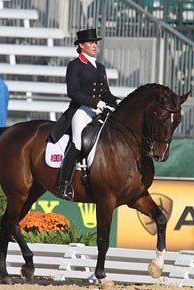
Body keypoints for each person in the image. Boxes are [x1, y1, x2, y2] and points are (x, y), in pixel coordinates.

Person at [49, 28, 119, 200]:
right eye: (90, 42)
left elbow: (105, 92)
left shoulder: (100, 67)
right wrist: (96, 103)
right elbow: (73, 92)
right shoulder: (75, 65)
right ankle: (63, 185)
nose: (94, 45)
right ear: (81, 45)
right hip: (81, 110)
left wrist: (117, 102)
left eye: (95, 42)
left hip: (99, 109)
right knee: (78, 141)